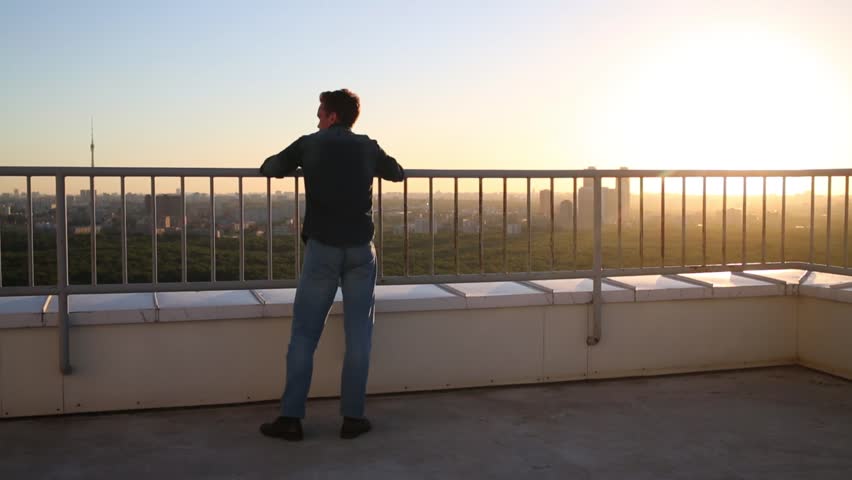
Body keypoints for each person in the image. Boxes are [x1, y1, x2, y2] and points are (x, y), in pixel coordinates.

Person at [258, 89, 405, 441]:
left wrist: (300, 164)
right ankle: (353, 418)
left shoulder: (310, 145)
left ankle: (291, 418)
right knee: (359, 336)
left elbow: (271, 167)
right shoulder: (368, 146)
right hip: (359, 250)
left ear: (332, 116)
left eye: (321, 113)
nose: (317, 118)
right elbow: (397, 173)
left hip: (323, 249)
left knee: (305, 335)